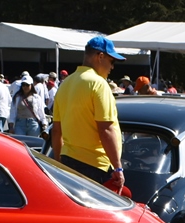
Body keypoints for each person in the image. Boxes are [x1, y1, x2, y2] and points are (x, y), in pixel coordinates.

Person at [51, 35, 130, 190]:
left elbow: (56, 130)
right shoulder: (99, 84)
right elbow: (106, 129)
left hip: (68, 162)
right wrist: (118, 167)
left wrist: (59, 162)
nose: (112, 67)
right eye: (111, 61)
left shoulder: (65, 84)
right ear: (100, 57)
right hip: (96, 167)